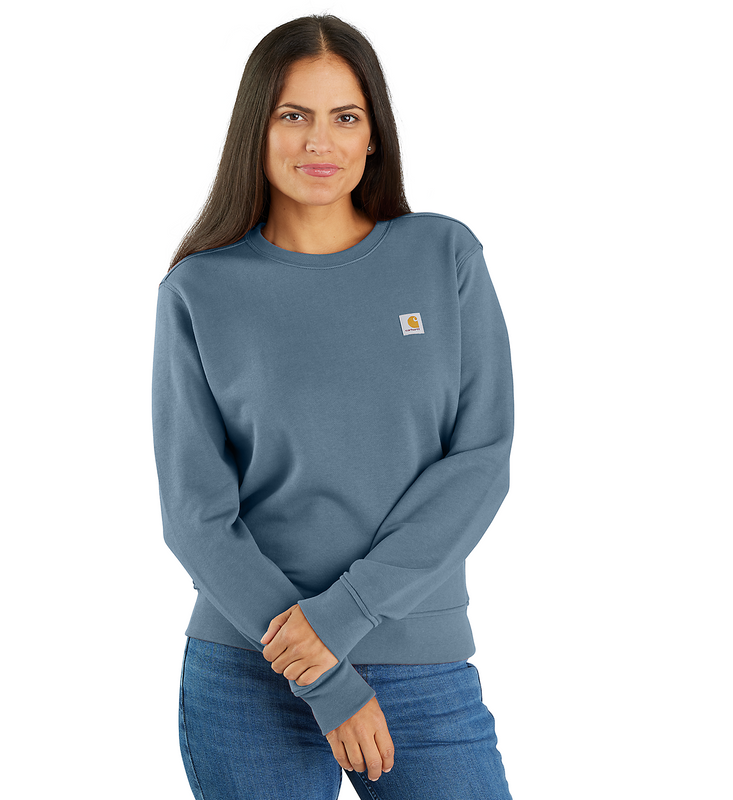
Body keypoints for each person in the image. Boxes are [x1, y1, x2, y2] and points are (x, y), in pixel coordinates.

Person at [151, 13, 515, 800]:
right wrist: (322, 674)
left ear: (374, 134)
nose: (321, 141)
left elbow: (481, 461)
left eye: (345, 117)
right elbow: (195, 515)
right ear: (257, 129)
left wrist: (339, 621)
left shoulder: (443, 255)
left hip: (419, 662)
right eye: (294, 115)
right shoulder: (200, 290)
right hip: (251, 671)